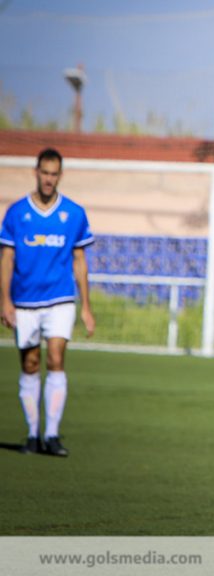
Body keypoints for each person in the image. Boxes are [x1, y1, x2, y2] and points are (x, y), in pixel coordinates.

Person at [1, 147, 95, 457]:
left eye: (54, 174)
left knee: (56, 358)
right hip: (25, 300)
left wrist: (86, 306)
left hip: (60, 299)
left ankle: (52, 434)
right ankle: (32, 434)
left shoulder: (74, 214)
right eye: (45, 173)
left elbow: (79, 259)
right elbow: (7, 257)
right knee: (30, 364)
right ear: (36, 172)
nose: (49, 179)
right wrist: (5, 300)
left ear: (60, 176)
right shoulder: (17, 213)